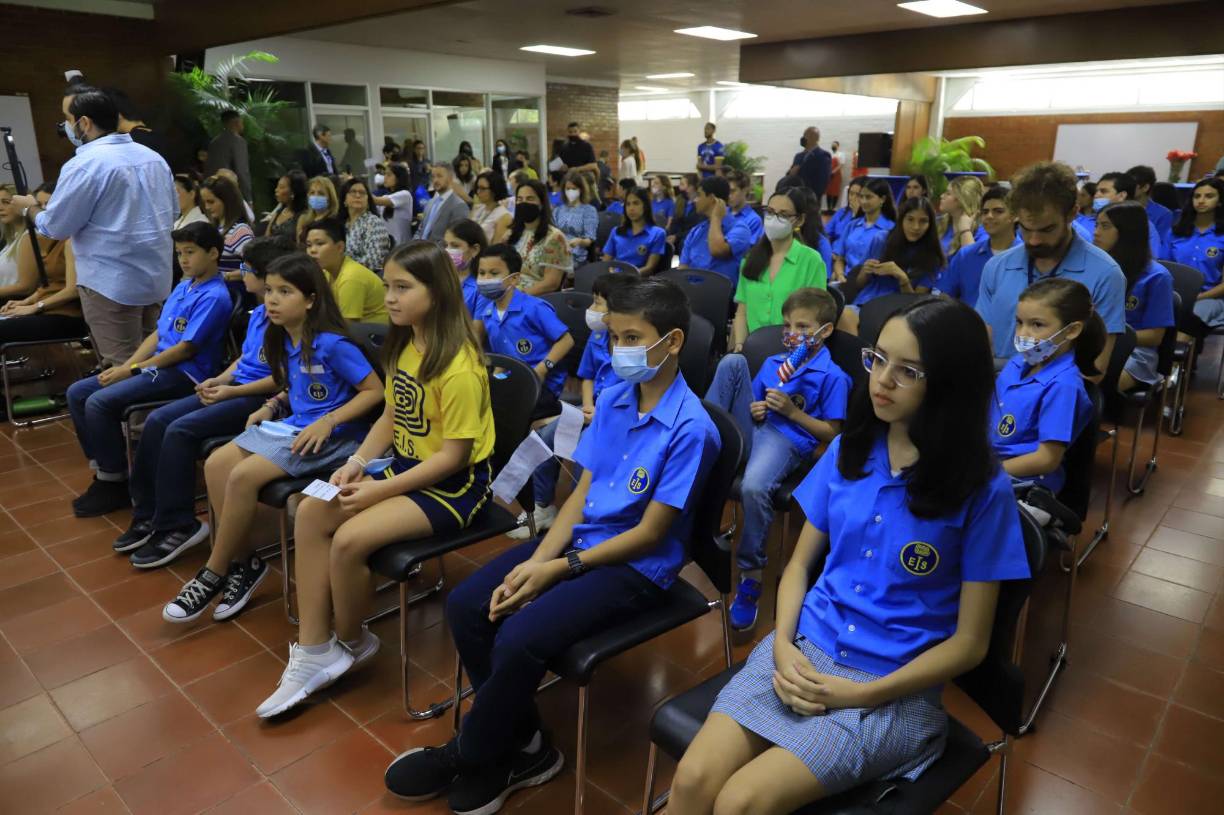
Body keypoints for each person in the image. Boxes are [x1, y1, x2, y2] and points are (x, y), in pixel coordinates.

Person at [669, 297, 1028, 815]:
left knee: (739, 804)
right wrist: (784, 644)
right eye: (878, 360)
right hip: (804, 650)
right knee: (691, 782)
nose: (882, 380)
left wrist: (859, 695)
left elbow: (970, 644)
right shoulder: (849, 450)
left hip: (889, 688)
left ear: (950, 383)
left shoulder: (982, 489)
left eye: (909, 371)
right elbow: (796, 568)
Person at [384, 277, 720, 814]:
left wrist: (557, 569)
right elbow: (582, 491)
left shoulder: (691, 429)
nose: (619, 351)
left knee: (518, 636)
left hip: (636, 568)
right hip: (581, 542)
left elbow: (650, 534)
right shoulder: (613, 397)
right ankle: (527, 745)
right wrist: (539, 559)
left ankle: (472, 751)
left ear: (673, 341)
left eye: (633, 338)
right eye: (614, 338)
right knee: (470, 604)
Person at [254, 240, 495, 717]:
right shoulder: (406, 341)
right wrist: (360, 462)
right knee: (309, 510)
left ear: (439, 291)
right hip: (405, 469)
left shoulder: (460, 366)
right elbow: (391, 413)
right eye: (387, 286)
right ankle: (316, 648)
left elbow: (452, 458)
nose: (389, 297)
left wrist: (379, 488)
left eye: (403, 287)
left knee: (347, 539)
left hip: (455, 487)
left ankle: (349, 640)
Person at [160, 253, 382, 623]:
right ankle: (244, 563)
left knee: (243, 477)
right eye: (270, 291)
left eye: (285, 291)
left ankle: (213, 572)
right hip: (293, 425)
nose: (272, 299)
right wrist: (273, 405)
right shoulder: (282, 336)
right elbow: (294, 384)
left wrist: (327, 422)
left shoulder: (331, 343)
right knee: (217, 464)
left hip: (336, 438)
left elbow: (374, 392)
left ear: (311, 299)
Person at [116, 235, 293, 568]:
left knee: (181, 430)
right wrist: (220, 380)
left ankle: (179, 524)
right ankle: (148, 514)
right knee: (158, 420)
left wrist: (232, 392)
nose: (241, 273)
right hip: (237, 387)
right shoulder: (258, 313)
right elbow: (243, 360)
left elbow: (284, 379)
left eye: (247, 268)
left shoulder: (285, 318)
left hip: (259, 398)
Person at [66, 222, 234, 516]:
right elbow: (157, 334)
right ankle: (107, 469)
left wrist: (133, 372)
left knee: (100, 401)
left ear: (213, 253)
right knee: (78, 392)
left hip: (183, 373)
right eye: (179, 252)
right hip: (156, 366)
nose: (183, 259)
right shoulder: (184, 286)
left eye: (190, 252)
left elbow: (185, 349)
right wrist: (128, 365)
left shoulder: (214, 296)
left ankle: (113, 480)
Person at [707, 288, 850, 630]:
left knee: (754, 487)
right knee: (732, 362)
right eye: (788, 325)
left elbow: (832, 433)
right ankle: (701, 437)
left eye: (802, 326)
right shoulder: (774, 363)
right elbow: (753, 404)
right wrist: (757, 407)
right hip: (754, 429)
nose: (791, 333)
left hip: (786, 439)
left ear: (824, 330)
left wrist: (792, 413)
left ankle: (751, 575)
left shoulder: (833, 376)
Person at [12, 83, 175, 367]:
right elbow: (171, 212)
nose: (64, 126)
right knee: (151, 366)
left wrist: (29, 208)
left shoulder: (86, 164)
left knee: (120, 370)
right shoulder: (153, 159)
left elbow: (55, 228)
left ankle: (133, 412)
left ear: (84, 123)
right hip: (155, 279)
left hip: (111, 284)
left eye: (67, 118)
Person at [509, 270, 639, 539]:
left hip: (618, 416)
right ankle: (544, 506)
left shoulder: (633, 348)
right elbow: (587, 377)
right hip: (591, 409)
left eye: (598, 303)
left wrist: (598, 412)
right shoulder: (598, 336)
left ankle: (583, 517)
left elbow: (634, 393)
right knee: (543, 439)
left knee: (583, 455)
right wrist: (588, 404)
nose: (591, 309)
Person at [976, 161, 1125, 372]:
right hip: (997, 384)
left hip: (1058, 394)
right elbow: (981, 344)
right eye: (1026, 229)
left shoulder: (1105, 274)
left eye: (1047, 230)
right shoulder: (997, 266)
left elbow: (1094, 371)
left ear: (1073, 213)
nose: (1034, 240)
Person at [990, 278, 1100, 496]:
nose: (1022, 334)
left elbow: (1047, 459)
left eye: (1037, 325)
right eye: (1019, 322)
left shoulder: (1063, 385)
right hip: (990, 464)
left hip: (1025, 483)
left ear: (1072, 330)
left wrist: (986, 474)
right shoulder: (1016, 363)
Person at [473, 243, 574, 420]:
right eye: (482, 273)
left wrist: (542, 369)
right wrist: (495, 381)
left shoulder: (534, 308)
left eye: (494, 273)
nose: (486, 279)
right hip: (511, 381)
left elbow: (567, 340)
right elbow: (501, 359)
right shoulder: (487, 313)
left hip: (542, 385)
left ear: (514, 279)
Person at [1092, 202, 1175, 392]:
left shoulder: (1157, 277)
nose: (1096, 232)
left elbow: (1155, 337)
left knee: (1094, 386)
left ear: (1128, 231)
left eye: (1105, 226)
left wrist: (1108, 338)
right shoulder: (1094, 267)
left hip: (1136, 352)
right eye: (1096, 224)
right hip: (1093, 344)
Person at [731, 188, 827, 351]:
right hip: (752, 348)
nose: (773, 219)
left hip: (792, 352)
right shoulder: (750, 259)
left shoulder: (811, 260)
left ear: (799, 220)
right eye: (770, 212)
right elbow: (742, 312)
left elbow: (814, 320)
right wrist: (740, 346)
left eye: (783, 215)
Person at [840, 196, 945, 335]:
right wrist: (865, 271)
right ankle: (860, 355)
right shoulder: (881, 239)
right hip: (866, 303)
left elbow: (916, 305)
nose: (916, 227)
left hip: (899, 312)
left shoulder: (932, 257)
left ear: (930, 224)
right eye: (910, 219)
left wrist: (903, 278)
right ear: (901, 219)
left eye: (923, 221)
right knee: (845, 315)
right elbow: (859, 284)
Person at [0, 186, 89, 345]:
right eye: (38, 205)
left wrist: (35, 306)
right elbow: (50, 285)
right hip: (47, 310)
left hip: (67, 315)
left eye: (47, 204)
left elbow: (73, 290)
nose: (42, 209)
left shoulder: (70, 240)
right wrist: (26, 302)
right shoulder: (53, 239)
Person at [935, 185, 1021, 308]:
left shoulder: (1028, 255)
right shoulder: (966, 255)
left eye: (998, 211)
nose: (989, 216)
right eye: (985, 212)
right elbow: (944, 294)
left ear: (1015, 216)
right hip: (969, 324)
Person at [303, 218, 388, 324]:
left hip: (375, 335)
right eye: (309, 245)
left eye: (320, 244)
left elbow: (348, 325)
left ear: (340, 247)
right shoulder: (326, 272)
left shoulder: (351, 277)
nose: (312, 250)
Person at [679, 176, 754, 288]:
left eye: (699, 195)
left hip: (722, 297)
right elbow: (682, 268)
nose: (695, 200)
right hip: (692, 292)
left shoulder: (740, 229)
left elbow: (717, 250)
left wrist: (716, 218)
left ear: (712, 199)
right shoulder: (696, 231)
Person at [1170, 177, 1224, 332]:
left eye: (1209, 196)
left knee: (1188, 320)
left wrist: (1196, 297)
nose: (1201, 200)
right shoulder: (1175, 232)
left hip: (1209, 297)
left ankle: (1182, 354)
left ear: (1220, 201)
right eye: (1197, 196)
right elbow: (1162, 267)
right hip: (1173, 295)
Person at [506, 179, 572, 294]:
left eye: (530, 199)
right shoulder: (511, 234)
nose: (524, 203)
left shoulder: (555, 237)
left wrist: (519, 297)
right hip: (508, 292)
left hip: (534, 298)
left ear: (541, 204)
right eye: (520, 199)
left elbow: (551, 283)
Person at [1078, 172, 1162, 259]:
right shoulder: (1082, 222)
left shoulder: (1143, 226)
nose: (1096, 196)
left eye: (1103, 191)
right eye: (1096, 192)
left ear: (1122, 195)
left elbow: (1148, 262)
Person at [832, 178, 896, 284]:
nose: (863, 201)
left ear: (883, 199)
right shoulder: (852, 225)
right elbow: (840, 258)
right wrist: (840, 275)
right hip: (845, 280)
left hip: (871, 284)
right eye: (861, 197)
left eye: (869, 197)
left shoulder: (890, 229)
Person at [200, 174, 254, 289]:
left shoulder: (240, 231)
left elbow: (253, 268)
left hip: (233, 294)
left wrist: (225, 276)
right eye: (204, 202)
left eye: (211, 202)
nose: (207, 207)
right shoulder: (213, 227)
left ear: (227, 200)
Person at [602, 187, 667, 275]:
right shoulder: (616, 231)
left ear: (645, 206)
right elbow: (606, 263)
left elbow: (650, 268)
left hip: (640, 281)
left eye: (636, 203)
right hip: (616, 280)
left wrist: (626, 276)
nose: (631, 208)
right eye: (628, 204)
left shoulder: (658, 233)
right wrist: (611, 274)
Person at [340, 177, 392, 273]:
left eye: (362, 193)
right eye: (353, 192)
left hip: (365, 276)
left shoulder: (374, 223)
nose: (358, 195)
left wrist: (342, 268)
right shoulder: (341, 224)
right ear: (344, 200)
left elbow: (373, 261)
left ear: (368, 200)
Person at [553, 170, 599, 269]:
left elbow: (589, 239)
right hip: (557, 252)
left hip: (576, 256)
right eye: (567, 189)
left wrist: (579, 241)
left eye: (574, 188)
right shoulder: (558, 210)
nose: (570, 192)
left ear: (581, 190)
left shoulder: (589, 210)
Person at [204, 110, 253, 204]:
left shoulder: (214, 142)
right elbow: (242, 171)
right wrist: (248, 199)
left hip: (212, 192)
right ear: (236, 122)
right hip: (231, 193)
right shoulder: (238, 142)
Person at [444, 219, 489, 318]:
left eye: (455, 246)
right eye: (446, 245)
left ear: (475, 250)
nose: (448, 251)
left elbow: (477, 331)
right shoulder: (440, 276)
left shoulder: (482, 288)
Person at [417, 165, 471, 245]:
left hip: (439, 254)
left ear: (450, 178)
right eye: (433, 177)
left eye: (439, 176)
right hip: (420, 251)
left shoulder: (459, 206)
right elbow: (420, 230)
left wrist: (427, 251)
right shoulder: (430, 203)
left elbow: (455, 239)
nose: (435, 180)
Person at [1127, 164, 1173, 258]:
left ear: (1145, 187)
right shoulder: (1122, 208)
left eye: (1131, 185)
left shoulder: (1163, 214)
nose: (1126, 188)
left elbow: (1159, 246)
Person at [936, 175, 985, 257]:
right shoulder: (938, 223)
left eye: (948, 194)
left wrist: (965, 230)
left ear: (962, 200)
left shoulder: (981, 232)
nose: (942, 196)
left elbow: (971, 261)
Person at [369, 164, 415, 248]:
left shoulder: (405, 195)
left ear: (399, 177)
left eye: (389, 175)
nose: (385, 177)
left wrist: (359, 187)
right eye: (385, 174)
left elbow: (375, 200)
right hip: (387, 247)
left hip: (403, 247)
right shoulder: (385, 196)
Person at [258, 171, 308, 240]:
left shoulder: (303, 216)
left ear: (293, 192)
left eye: (281, 187)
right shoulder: (278, 213)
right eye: (277, 186)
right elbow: (266, 238)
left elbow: (300, 244)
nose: (276, 190)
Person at [0, 185, 30, 297]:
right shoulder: (11, 240)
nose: (0, 207)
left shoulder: (29, 237)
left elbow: (26, 287)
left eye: (6, 202)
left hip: (16, 305)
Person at [470, 172, 512, 244]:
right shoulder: (477, 208)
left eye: (483, 188)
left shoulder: (504, 216)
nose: (478, 191)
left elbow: (496, 247)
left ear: (494, 190)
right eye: (477, 187)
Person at [298, 176, 341, 245]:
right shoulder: (304, 220)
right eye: (312, 193)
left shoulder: (335, 221)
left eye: (321, 193)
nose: (316, 196)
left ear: (330, 197)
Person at [825, 176, 865, 248]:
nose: (853, 198)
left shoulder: (868, 217)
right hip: (833, 252)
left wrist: (856, 214)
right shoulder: (842, 212)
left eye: (858, 195)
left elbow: (855, 241)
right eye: (851, 194)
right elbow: (826, 233)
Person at [727, 170, 764, 244]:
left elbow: (750, 250)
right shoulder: (722, 212)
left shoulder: (754, 220)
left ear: (745, 190)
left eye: (733, 191)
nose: (728, 195)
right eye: (727, 191)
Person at [794, 126, 832, 199]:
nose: (803, 138)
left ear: (815, 138)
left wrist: (814, 197)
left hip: (811, 198)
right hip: (796, 196)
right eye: (803, 135)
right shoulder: (798, 156)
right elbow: (790, 176)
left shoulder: (823, 155)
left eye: (806, 135)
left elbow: (823, 180)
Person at [824, 141, 845, 212]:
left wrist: (833, 171)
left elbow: (841, 165)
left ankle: (833, 208)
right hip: (828, 174)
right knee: (828, 191)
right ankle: (828, 208)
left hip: (837, 175)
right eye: (832, 145)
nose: (833, 146)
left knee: (835, 191)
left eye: (835, 145)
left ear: (838, 146)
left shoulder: (841, 154)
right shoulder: (829, 154)